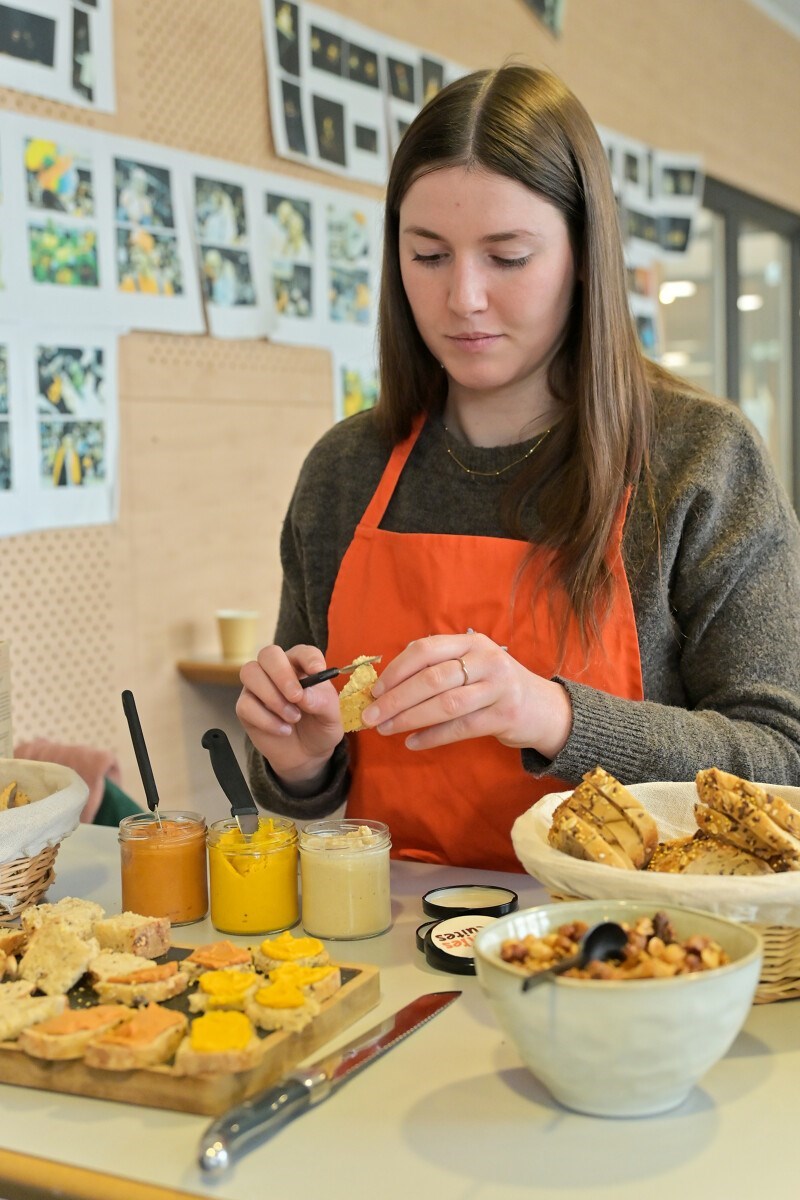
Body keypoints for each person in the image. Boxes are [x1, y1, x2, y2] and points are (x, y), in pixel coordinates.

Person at [236, 65, 800, 872]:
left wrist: (552, 715)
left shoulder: (699, 459)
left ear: (583, 255)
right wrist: (299, 758)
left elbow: (782, 762)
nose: (463, 297)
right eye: (429, 255)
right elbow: (307, 779)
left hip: (627, 934)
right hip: (397, 930)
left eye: (508, 257)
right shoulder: (345, 470)